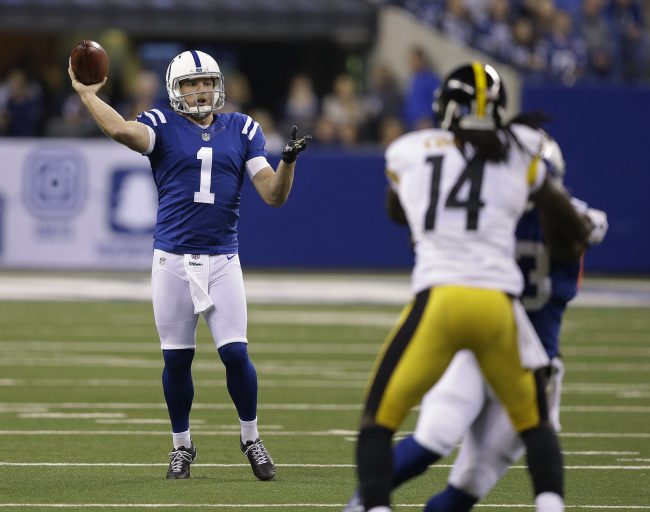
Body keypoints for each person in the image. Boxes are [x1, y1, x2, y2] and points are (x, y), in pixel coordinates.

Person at [353, 62, 594, 512]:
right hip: (499, 309)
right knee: (537, 426)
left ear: (446, 108)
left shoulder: (411, 149)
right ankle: (550, 505)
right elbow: (566, 221)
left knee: (377, 423)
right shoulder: (524, 151)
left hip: (441, 301)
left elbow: (397, 212)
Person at [68, 49, 311, 481]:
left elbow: (273, 194)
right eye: (189, 84)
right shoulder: (161, 124)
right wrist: (88, 95)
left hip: (222, 259)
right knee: (177, 361)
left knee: (236, 353)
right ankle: (182, 445)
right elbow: (123, 131)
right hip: (172, 259)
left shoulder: (242, 128)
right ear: (174, 90)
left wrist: (287, 162)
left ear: (219, 85)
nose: (200, 91)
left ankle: (251, 437)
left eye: (205, 83)